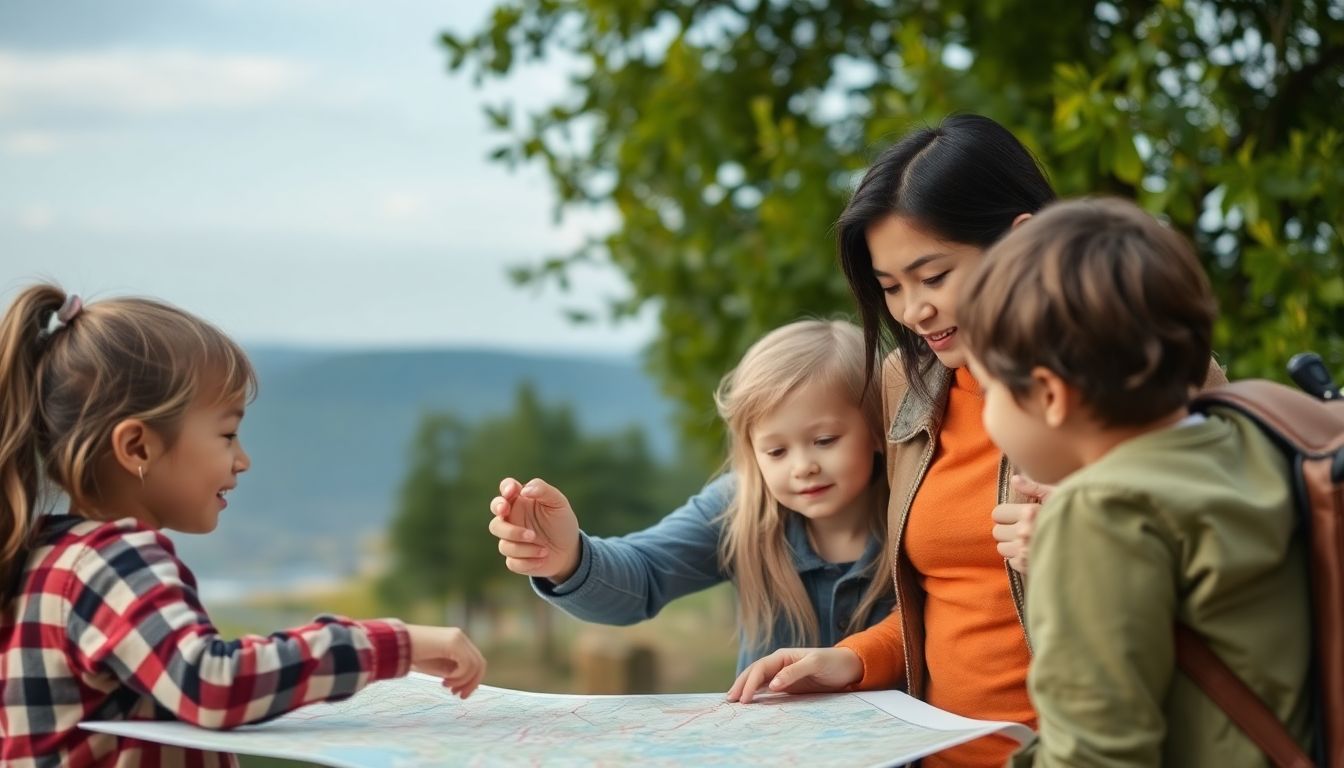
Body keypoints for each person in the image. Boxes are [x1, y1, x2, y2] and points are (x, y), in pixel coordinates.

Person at [727, 115, 1227, 768]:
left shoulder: (1146, 370)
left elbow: (1243, 569)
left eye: (934, 277)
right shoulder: (905, 382)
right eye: (891, 289)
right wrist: (852, 659)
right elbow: (950, 603)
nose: (913, 311)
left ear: (1021, 242)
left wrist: (1094, 547)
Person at [0, 285, 486, 768]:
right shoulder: (111, 562)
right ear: (137, 448)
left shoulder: (43, 560)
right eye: (227, 434)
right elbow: (211, 683)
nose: (243, 460)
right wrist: (391, 644)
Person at [958, 197, 1312, 766]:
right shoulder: (1251, 443)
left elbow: (1096, 754)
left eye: (990, 390)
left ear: (1050, 396)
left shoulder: (1101, 511)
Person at [488, 320, 893, 671]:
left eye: (824, 440)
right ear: (751, 451)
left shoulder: (919, 510)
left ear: (877, 428)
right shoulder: (738, 507)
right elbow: (644, 576)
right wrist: (567, 559)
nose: (803, 466)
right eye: (776, 451)